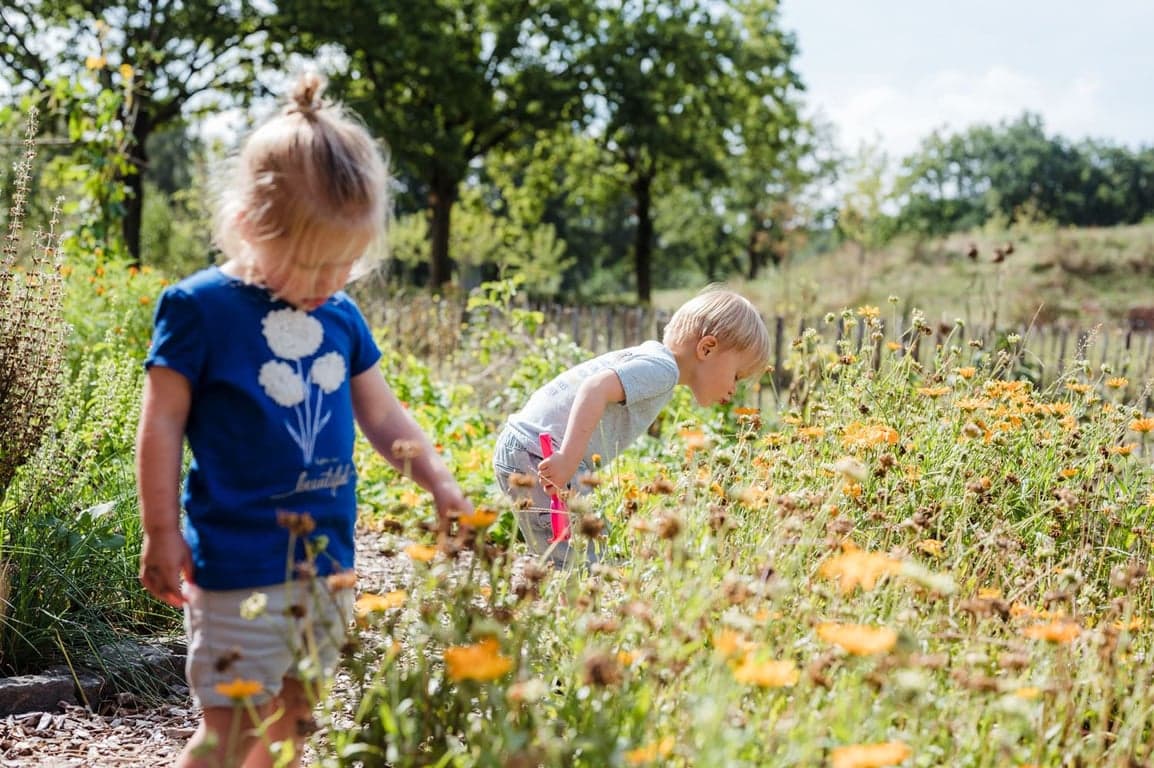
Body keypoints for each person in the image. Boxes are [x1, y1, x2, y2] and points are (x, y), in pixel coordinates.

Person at [135, 70, 471, 768]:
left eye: (343, 267)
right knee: (233, 727)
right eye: (311, 265)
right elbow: (162, 423)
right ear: (250, 226)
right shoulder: (199, 309)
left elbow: (381, 414)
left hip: (327, 561)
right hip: (237, 562)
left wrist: (439, 484)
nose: (327, 286)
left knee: (295, 720)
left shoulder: (341, 317)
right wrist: (161, 530)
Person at [492, 287, 770, 566]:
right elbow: (594, 388)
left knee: (582, 552)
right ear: (706, 348)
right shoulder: (663, 371)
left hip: (530, 447)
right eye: (736, 375)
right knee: (576, 564)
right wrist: (566, 459)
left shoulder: (652, 358)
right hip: (543, 454)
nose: (734, 388)